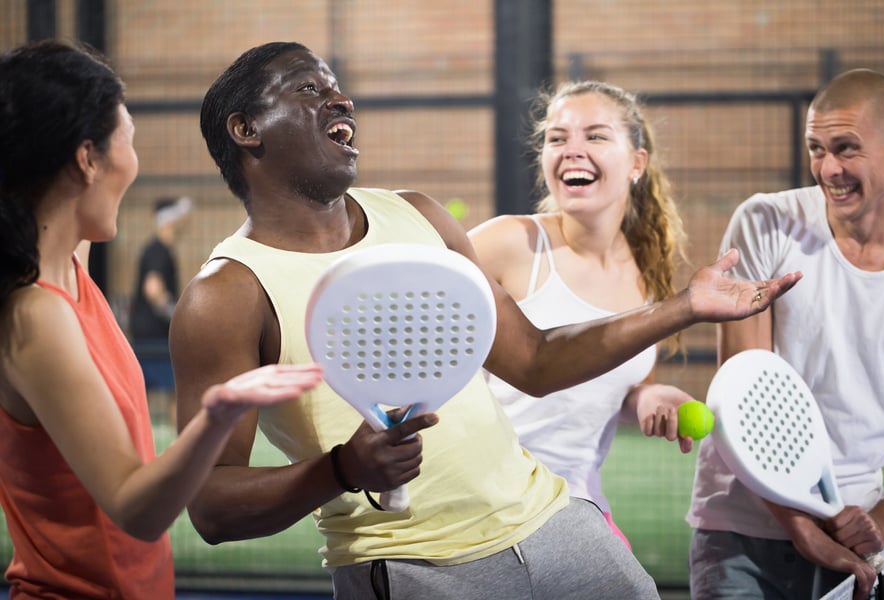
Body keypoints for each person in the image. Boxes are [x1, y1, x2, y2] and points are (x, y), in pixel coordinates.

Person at [171, 41, 799, 600]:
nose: (343, 99)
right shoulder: (225, 295)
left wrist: (683, 306)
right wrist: (341, 470)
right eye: (311, 89)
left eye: (336, 85)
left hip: (556, 524)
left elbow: (536, 360)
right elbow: (212, 507)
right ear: (246, 128)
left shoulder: (418, 216)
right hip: (413, 566)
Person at [0, 40, 324, 599]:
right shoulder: (36, 314)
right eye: (130, 141)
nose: (137, 163)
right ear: (86, 159)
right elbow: (136, 509)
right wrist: (218, 415)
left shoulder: (70, 261)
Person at [686, 68, 884, 600]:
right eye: (816, 148)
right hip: (743, 528)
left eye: (846, 148)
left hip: (855, 539)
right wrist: (801, 527)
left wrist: (878, 524)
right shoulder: (765, 222)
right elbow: (743, 394)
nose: (827, 168)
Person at [469, 80, 699, 549]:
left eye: (595, 136)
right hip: (483, 516)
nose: (572, 149)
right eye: (558, 138)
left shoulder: (649, 270)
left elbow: (623, 380)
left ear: (637, 162)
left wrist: (650, 398)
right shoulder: (509, 244)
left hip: (578, 510)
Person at [131, 195, 192, 426]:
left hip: (147, 334)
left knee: (143, 394)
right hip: (155, 337)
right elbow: (153, 289)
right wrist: (177, 315)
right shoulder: (159, 251)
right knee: (173, 394)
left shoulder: (155, 248)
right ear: (170, 221)